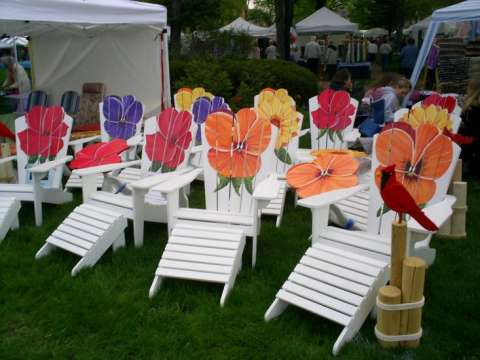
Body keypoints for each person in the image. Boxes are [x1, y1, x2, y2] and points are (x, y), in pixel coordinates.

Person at [459, 79, 480, 176]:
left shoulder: (473, 106)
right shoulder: (471, 104)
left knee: (464, 153)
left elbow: (471, 125)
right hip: (471, 135)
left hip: (471, 136)